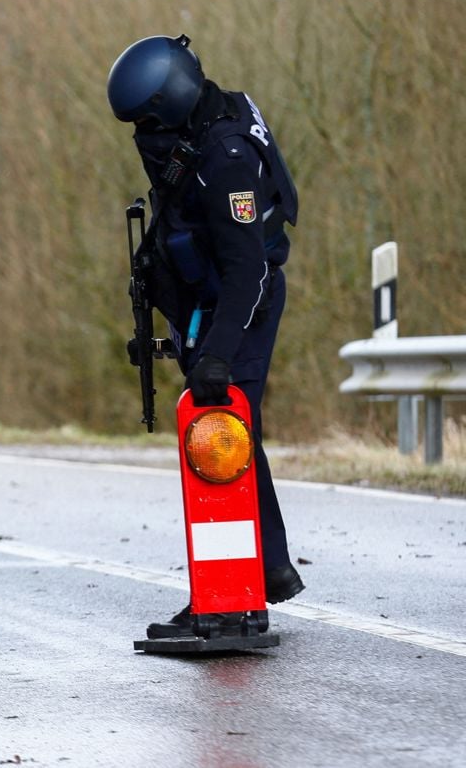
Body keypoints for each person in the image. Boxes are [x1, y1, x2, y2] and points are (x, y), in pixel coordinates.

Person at [106, 35, 305, 638]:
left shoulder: (227, 156)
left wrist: (217, 353)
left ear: (170, 103)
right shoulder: (203, 124)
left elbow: (248, 269)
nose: (142, 132)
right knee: (236, 437)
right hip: (215, 302)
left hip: (243, 302)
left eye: (146, 119)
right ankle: (265, 573)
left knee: (218, 430)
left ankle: (231, 597)